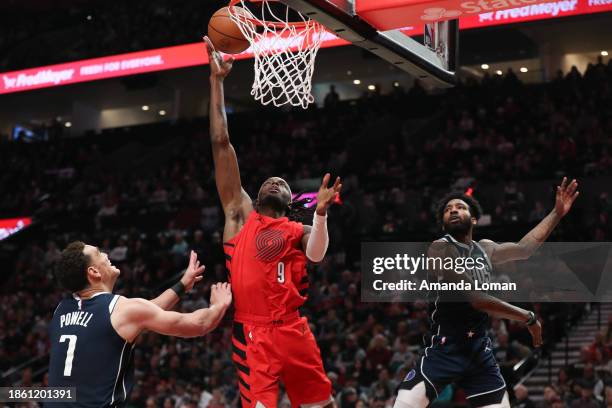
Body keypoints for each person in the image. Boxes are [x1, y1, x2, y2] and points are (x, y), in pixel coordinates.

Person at [203, 36, 342, 408]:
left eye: (282, 183)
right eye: (269, 180)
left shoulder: (299, 230)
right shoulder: (239, 214)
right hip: (252, 332)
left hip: (294, 328)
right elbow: (220, 142)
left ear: (290, 201)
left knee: (320, 405)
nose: (274, 181)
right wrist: (216, 81)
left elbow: (316, 255)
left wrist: (323, 213)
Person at [394, 178, 579, 408]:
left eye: (460, 207)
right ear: (443, 224)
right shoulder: (440, 248)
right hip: (444, 347)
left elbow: (525, 249)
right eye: (448, 209)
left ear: (472, 219)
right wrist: (528, 316)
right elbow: (477, 300)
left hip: (478, 350)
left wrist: (556, 214)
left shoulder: (486, 248)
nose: (453, 210)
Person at [47, 242, 232, 407]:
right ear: (93, 272)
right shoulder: (122, 310)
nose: (105, 255)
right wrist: (218, 305)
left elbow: (142, 314)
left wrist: (182, 285)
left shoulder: (61, 310)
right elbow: (199, 325)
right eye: (99, 253)